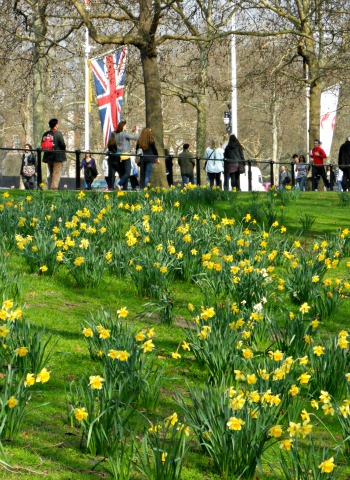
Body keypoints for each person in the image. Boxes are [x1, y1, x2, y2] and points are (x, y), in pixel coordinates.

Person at [107, 121, 139, 191]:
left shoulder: (117, 135)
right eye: (125, 126)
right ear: (123, 127)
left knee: (123, 173)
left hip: (118, 156)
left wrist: (132, 132)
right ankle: (119, 184)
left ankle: (124, 189)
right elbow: (135, 138)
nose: (126, 126)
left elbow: (126, 138)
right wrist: (136, 131)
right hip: (125, 155)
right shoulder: (124, 134)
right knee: (127, 172)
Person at [42, 118, 67, 190]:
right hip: (57, 156)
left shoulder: (45, 134)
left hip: (48, 156)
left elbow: (42, 144)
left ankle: (52, 187)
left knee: (52, 172)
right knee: (56, 173)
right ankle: (53, 188)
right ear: (56, 125)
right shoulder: (58, 134)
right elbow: (62, 144)